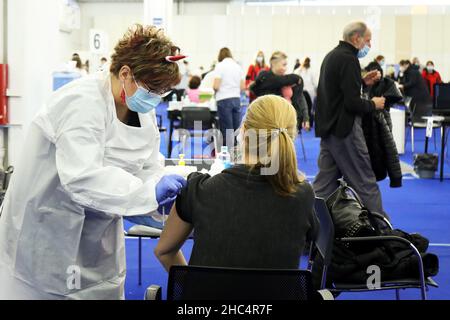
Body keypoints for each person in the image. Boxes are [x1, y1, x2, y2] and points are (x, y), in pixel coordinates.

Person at [0, 24, 187, 300]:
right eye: (153, 89)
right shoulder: (82, 102)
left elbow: (146, 168)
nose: (156, 99)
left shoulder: (141, 113)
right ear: (125, 73)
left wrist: (160, 196)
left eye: (162, 92)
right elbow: (82, 177)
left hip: (99, 243)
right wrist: (147, 193)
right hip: (47, 237)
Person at [154, 95, 317, 271]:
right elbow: (318, 245)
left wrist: (190, 284)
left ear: (243, 131)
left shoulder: (199, 190)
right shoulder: (303, 195)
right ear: (291, 136)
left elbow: (164, 252)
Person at [313, 21, 388, 218]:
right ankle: (381, 231)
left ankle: (309, 230)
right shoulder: (349, 60)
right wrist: (373, 104)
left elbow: (337, 92)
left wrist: (362, 81)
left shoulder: (332, 56)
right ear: (356, 38)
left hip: (329, 131)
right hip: (345, 131)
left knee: (323, 187)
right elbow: (352, 103)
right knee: (364, 182)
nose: (369, 45)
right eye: (368, 40)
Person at [251, 51, 310, 132]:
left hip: (288, 122)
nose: (285, 68)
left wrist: (305, 117)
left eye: (286, 65)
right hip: (270, 124)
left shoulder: (289, 80)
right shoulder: (265, 78)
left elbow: (300, 98)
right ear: (274, 64)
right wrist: (296, 79)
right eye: (283, 65)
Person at [213, 48, 245, 148]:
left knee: (227, 130)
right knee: (236, 130)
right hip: (236, 99)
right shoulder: (238, 66)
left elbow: (216, 86)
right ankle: (236, 155)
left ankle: (227, 156)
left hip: (223, 99)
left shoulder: (220, 66)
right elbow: (242, 87)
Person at [295, 57, 317, 128]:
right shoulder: (309, 71)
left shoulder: (298, 70)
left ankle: (300, 125)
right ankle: (309, 124)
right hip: (308, 92)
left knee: (301, 108)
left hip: (302, 92)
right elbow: (315, 83)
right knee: (309, 108)